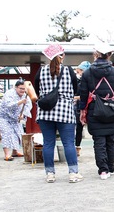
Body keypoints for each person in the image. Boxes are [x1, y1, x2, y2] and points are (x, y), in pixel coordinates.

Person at [79, 42, 114, 180]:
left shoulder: (87, 73)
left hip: (95, 110)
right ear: (109, 55)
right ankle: (110, 167)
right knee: (110, 140)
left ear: (96, 55)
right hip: (112, 110)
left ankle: (103, 170)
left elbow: (83, 95)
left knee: (98, 141)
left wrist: (82, 112)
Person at [34, 43, 83, 183]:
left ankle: (50, 174)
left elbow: (37, 89)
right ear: (63, 56)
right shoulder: (68, 70)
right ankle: (73, 174)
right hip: (65, 111)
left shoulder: (41, 71)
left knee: (48, 143)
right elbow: (75, 89)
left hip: (45, 112)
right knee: (68, 143)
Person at [0, 78, 32, 161]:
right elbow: (9, 105)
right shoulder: (9, 93)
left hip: (15, 118)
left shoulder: (25, 95)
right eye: (21, 88)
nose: (22, 90)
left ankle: (15, 151)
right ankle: (7, 155)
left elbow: (28, 106)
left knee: (18, 133)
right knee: (6, 132)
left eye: (24, 89)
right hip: (3, 116)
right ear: (16, 87)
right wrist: (20, 102)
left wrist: (23, 115)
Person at [74, 61, 91, 156]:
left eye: (79, 71)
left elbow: (88, 95)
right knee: (78, 127)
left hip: (87, 105)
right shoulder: (77, 81)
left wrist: (76, 97)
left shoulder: (89, 81)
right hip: (78, 106)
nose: (78, 73)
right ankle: (77, 147)